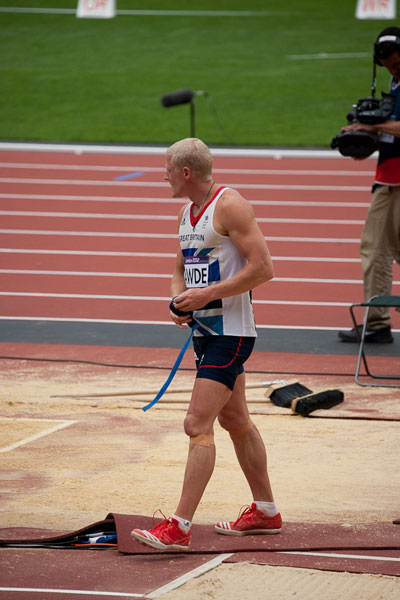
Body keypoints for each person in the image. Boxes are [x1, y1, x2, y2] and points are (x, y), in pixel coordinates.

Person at [131, 137, 282, 552]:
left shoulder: (230, 204)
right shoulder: (185, 212)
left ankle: (178, 527)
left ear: (185, 172)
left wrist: (207, 294)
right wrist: (179, 300)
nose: (162, 175)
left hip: (231, 333)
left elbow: (264, 268)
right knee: (236, 422)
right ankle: (267, 511)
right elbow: (179, 267)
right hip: (204, 332)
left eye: (166, 168)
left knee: (197, 424)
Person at [339, 26, 400, 344]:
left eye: (396, 64)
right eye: (388, 66)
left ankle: (377, 322)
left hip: (397, 182)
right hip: (388, 177)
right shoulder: (395, 82)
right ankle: (377, 321)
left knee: (382, 248)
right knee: (376, 248)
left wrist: (372, 125)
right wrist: (364, 137)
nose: (393, 70)